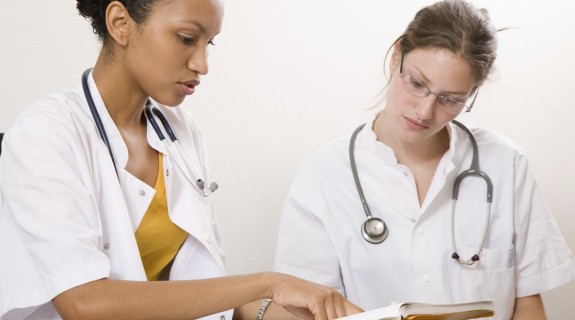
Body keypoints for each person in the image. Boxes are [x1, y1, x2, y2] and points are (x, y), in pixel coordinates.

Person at [0, 1, 364, 319]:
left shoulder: (178, 130)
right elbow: (84, 304)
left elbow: (199, 291)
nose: (202, 63)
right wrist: (270, 283)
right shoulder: (46, 134)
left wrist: (287, 310)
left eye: (210, 43)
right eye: (187, 38)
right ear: (120, 24)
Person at [273, 1, 575, 319]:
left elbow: (527, 302)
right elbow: (305, 310)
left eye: (451, 99)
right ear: (396, 56)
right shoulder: (323, 175)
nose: (425, 111)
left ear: (471, 94)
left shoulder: (506, 164)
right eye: (417, 83)